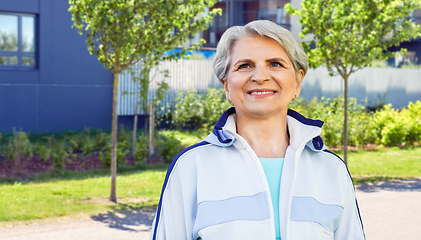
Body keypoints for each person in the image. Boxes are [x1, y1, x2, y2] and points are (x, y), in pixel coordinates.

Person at [150, 20, 365, 240]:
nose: (260, 77)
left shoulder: (332, 170)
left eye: (275, 64)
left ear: (298, 82)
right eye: (244, 66)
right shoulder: (191, 167)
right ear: (226, 85)